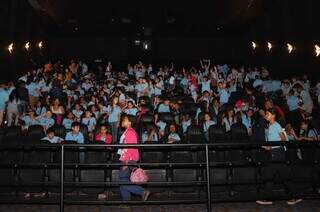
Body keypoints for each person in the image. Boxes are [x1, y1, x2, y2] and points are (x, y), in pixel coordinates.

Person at [256, 109, 302, 206]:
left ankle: (268, 198)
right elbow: (273, 142)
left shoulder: (276, 125)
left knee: (270, 175)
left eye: (267, 114)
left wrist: (273, 147)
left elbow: (283, 139)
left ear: (273, 115)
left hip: (278, 153)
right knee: (282, 176)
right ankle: (295, 195)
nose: (265, 115)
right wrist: (267, 147)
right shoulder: (271, 126)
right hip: (275, 152)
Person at [117, 114, 150, 201]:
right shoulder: (127, 131)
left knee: (123, 180)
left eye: (125, 119)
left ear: (130, 122)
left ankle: (142, 192)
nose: (123, 121)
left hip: (128, 159)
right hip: (126, 159)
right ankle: (126, 201)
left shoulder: (130, 132)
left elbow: (131, 147)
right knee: (123, 180)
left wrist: (126, 162)